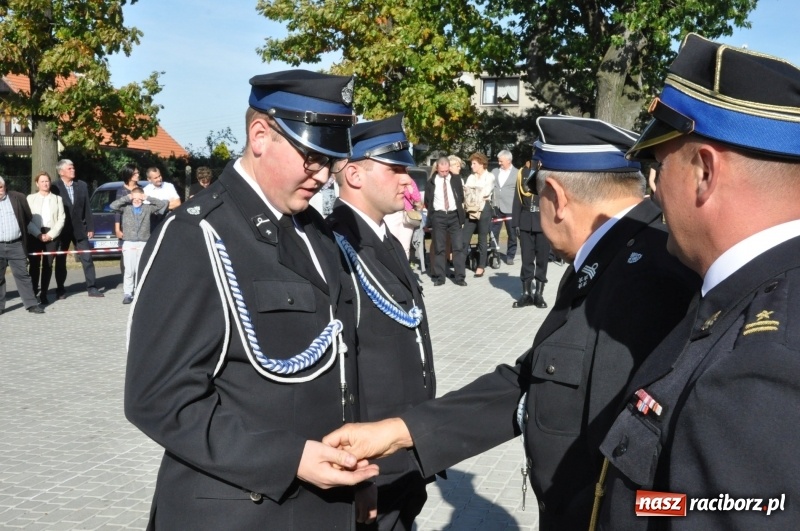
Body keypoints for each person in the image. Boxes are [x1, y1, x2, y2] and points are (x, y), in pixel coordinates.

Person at [323, 116, 700, 531]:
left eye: (537, 199)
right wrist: (401, 431)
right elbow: (532, 381)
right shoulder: (610, 259)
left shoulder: (650, 277)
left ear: (555, 195)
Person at [124, 69, 378, 530]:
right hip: (238, 511)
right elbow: (157, 398)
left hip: (322, 507)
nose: (323, 175)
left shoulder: (316, 234)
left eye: (330, 161)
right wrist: (290, 457)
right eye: (311, 157)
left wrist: (357, 483)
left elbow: (340, 367)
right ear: (260, 135)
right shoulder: (197, 236)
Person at [594, 33, 800, 530]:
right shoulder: (755, 298)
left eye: (658, 166)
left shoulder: (759, 369)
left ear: (704, 171)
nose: (655, 187)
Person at [327, 113, 437, 530]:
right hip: (373, 462)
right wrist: (357, 475)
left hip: (403, 451)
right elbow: (341, 370)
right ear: (353, 174)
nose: (408, 181)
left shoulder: (381, 237)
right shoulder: (335, 244)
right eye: (396, 169)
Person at [52, 159, 103, 298]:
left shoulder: (81, 185)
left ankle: (92, 287)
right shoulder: (54, 187)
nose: (73, 170)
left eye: (73, 167)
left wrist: (90, 226)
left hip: (80, 228)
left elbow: (87, 207)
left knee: (87, 258)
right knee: (61, 260)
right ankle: (60, 289)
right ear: (61, 172)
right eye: (69, 168)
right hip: (62, 230)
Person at [109, 187, 168, 304]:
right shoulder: (126, 208)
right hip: (129, 242)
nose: (136, 200)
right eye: (134, 198)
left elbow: (162, 205)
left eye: (139, 198)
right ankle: (127, 293)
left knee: (141, 269)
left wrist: (147, 198)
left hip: (143, 242)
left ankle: (139, 291)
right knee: (129, 270)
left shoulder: (147, 208)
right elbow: (113, 206)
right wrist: (128, 197)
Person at [0, 176, 44, 314]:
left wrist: (38, 234)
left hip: (16, 244)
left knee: (23, 275)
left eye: (0, 187)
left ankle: (31, 304)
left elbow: (27, 220)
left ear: (5, 186)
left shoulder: (18, 198)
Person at [511, 160, 550, 308]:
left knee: (542, 259)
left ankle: (538, 294)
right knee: (526, 259)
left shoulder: (548, 171)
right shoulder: (523, 173)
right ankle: (526, 294)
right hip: (526, 220)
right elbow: (517, 199)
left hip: (543, 221)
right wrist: (515, 222)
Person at [425, 156, 467, 286]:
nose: (444, 174)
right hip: (439, 216)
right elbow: (427, 201)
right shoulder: (431, 182)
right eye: (441, 171)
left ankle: (460, 277)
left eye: (446, 171)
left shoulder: (456, 179)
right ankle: (439, 277)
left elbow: (460, 196)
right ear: (437, 168)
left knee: (458, 247)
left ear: (449, 168)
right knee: (439, 248)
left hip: (454, 216)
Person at [26, 171, 65, 305]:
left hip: (51, 234)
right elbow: (27, 219)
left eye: (47, 181)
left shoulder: (57, 199)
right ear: (37, 184)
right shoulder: (30, 198)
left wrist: (51, 234)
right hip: (35, 234)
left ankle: (44, 293)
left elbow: (61, 218)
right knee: (34, 265)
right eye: (42, 181)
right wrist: (38, 234)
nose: (45, 183)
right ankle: (33, 293)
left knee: (48, 265)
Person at [462, 152, 495, 278]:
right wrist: (474, 191)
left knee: (482, 238)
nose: (472, 166)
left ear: (481, 164)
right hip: (471, 209)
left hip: (484, 208)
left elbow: (485, 192)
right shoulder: (471, 177)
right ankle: (461, 265)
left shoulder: (490, 177)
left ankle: (481, 266)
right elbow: (467, 191)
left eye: (474, 163)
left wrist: (474, 191)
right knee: (465, 238)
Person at [385, 177, 422, 260]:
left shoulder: (410, 181)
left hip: (407, 214)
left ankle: (405, 270)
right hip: (392, 214)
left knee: (405, 246)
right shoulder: (389, 180)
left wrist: (409, 187)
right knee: (392, 244)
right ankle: (393, 270)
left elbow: (417, 198)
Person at [492, 150, 518, 265]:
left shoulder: (517, 173)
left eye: (501, 161)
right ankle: (494, 255)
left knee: (512, 234)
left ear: (508, 160)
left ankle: (510, 255)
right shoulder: (494, 171)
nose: (499, 163)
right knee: (493, 233)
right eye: (499, 161)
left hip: (510, 208)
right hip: (496, 206)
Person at [114, 163, 143, 241]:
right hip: (127, 226)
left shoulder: (142, 189)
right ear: (128, 175)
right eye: (135, 173)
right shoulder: (121, 190)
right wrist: (117, 229)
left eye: (138, 173)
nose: (137, 175)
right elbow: (118, 211)